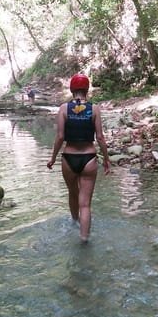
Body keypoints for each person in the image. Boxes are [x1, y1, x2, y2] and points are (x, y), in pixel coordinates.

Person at [47, 73, 111, 242]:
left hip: (69, 158)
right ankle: (84, 238)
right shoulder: (95, 109)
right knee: (85, 204)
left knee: (72, 193)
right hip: (89, 158)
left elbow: (60, 136)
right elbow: (100, 137)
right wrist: (106, 159)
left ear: (72, 89)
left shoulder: (63, 109)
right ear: (87, 89)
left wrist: (53, 158)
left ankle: (74, 222)